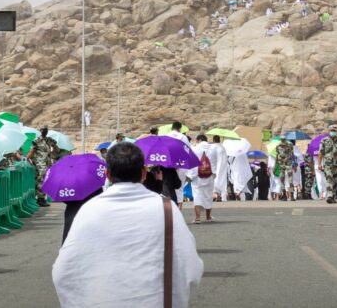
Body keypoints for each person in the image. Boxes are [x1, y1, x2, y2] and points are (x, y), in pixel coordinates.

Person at [54, 142, 203, 307]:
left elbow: (64, 272)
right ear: (144, 173)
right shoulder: (167, 209)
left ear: (107, 174)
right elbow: (190, 267)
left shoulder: (89, 209)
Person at [318, 125, 337, 204]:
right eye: (331, 130)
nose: (333, 132)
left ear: (336, 131)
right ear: (328, 131)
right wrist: (319, 163)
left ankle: (333, 197)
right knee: (329, 179)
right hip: (328, 164)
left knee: (335, 181)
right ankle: (329, 195)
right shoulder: (324, 141)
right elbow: (321, 153)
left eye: (334, 130)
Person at [190, 134, 215, 223]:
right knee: (208, 195)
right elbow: (215, 162)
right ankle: (208, 217)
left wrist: (190, 176)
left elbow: (192, 162)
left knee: (197, 195)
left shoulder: (195, 148)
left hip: (197, 176)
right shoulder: (213, 148)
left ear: (199, 140)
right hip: (210, 175)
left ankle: (197, 218)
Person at [27, 126, 54, 206]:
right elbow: (32, 151)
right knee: (41, 180)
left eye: (46, 130)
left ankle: (42, 198)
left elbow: (56, 148)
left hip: (47, 163)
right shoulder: (36, 141)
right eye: (43, 130)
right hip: (40, 164)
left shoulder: (49, 140)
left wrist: (54, 151)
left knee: (45, 180)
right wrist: (26, 159)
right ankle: (40, 199)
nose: (44, 131)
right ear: (40, 131)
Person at [209, 134, 229, 201]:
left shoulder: (212, 147)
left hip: (214, 168)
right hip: (223, 168)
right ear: (219, 140)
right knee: (222, 181)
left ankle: (215, 193)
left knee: (214, 180)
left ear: (213, 140)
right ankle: (222, 195)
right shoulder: (223, 148)